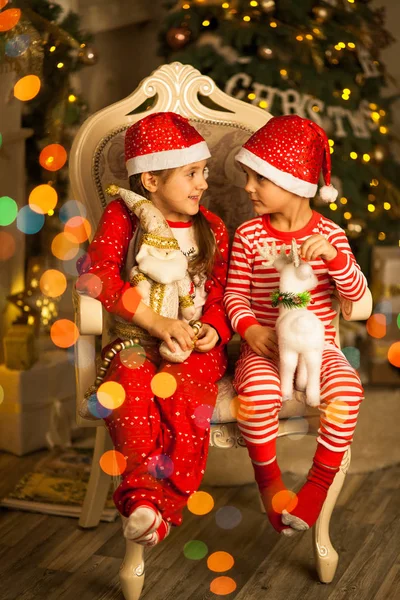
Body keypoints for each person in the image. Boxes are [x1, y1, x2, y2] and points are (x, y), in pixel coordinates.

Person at [76, 112, 231, 546]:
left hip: (194, 347)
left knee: (179, 390)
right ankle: (143, 500)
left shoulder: (212, 228)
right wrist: (154, 321)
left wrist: (212, 331)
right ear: (151, 182)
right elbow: (97, 276)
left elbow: (220, 295)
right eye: (190, 174)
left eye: (203, 172)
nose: (203, 183)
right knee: (128, 380)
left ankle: (166, 504)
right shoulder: (124, 217)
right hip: (137, 338)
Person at [224, 115, 367, 536]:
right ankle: (270, 485)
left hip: (319, 348)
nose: (248, 187)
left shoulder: (331, 235)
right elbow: (233, 295)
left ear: (294, 181)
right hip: (265, 349)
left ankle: (317, 488)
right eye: (248, 177)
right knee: (257, 393)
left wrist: (337, 260)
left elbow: (356, 297)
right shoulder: (249, 235)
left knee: (348, 390)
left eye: (259, 179)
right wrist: (250, 330)